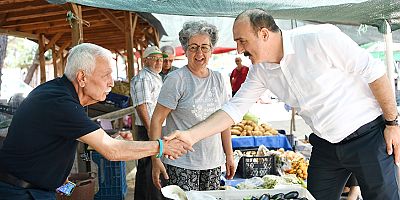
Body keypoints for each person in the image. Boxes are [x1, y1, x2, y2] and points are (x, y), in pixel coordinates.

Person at [165, 8, 400, 200]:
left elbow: (374, 72)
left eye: (242, 41)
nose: (238, 49)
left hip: (367, 138)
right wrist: (191, 136)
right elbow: (233, 109)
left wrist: (392, 122)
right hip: (326, 146)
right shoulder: (260, 70)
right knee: (312, 197)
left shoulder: (319, 38)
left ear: (264, 34)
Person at [0, 43, 190, 200]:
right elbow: (112, 150)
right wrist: (162, 146)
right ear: (82, 77)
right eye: (106, 75)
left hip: (38, 188)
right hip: (20, 192)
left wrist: (57, 178)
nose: (112, 82)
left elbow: (57, 139)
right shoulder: (60, 102)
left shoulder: (60, 94)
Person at [150, 21, 235, 192]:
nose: (199, 53)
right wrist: (156, 158)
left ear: (212, 50)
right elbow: (157, 120)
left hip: (212, 162)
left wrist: (229, 155)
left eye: (205, 47)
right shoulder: (176, 79)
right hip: (181, 162)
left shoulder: (220, 79)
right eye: (193, 47)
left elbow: (224, 120)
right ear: (185, 50)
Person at [130, 45, 167, 200]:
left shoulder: (155, 76)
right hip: (148, 128)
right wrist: (152, 131)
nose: (159, 62)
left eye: (161, 59)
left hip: (155, 127)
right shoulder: (143, 78)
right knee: (150, 167)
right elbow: (142, 106)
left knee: (150, 166)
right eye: (155, 59)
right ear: (145, 61)